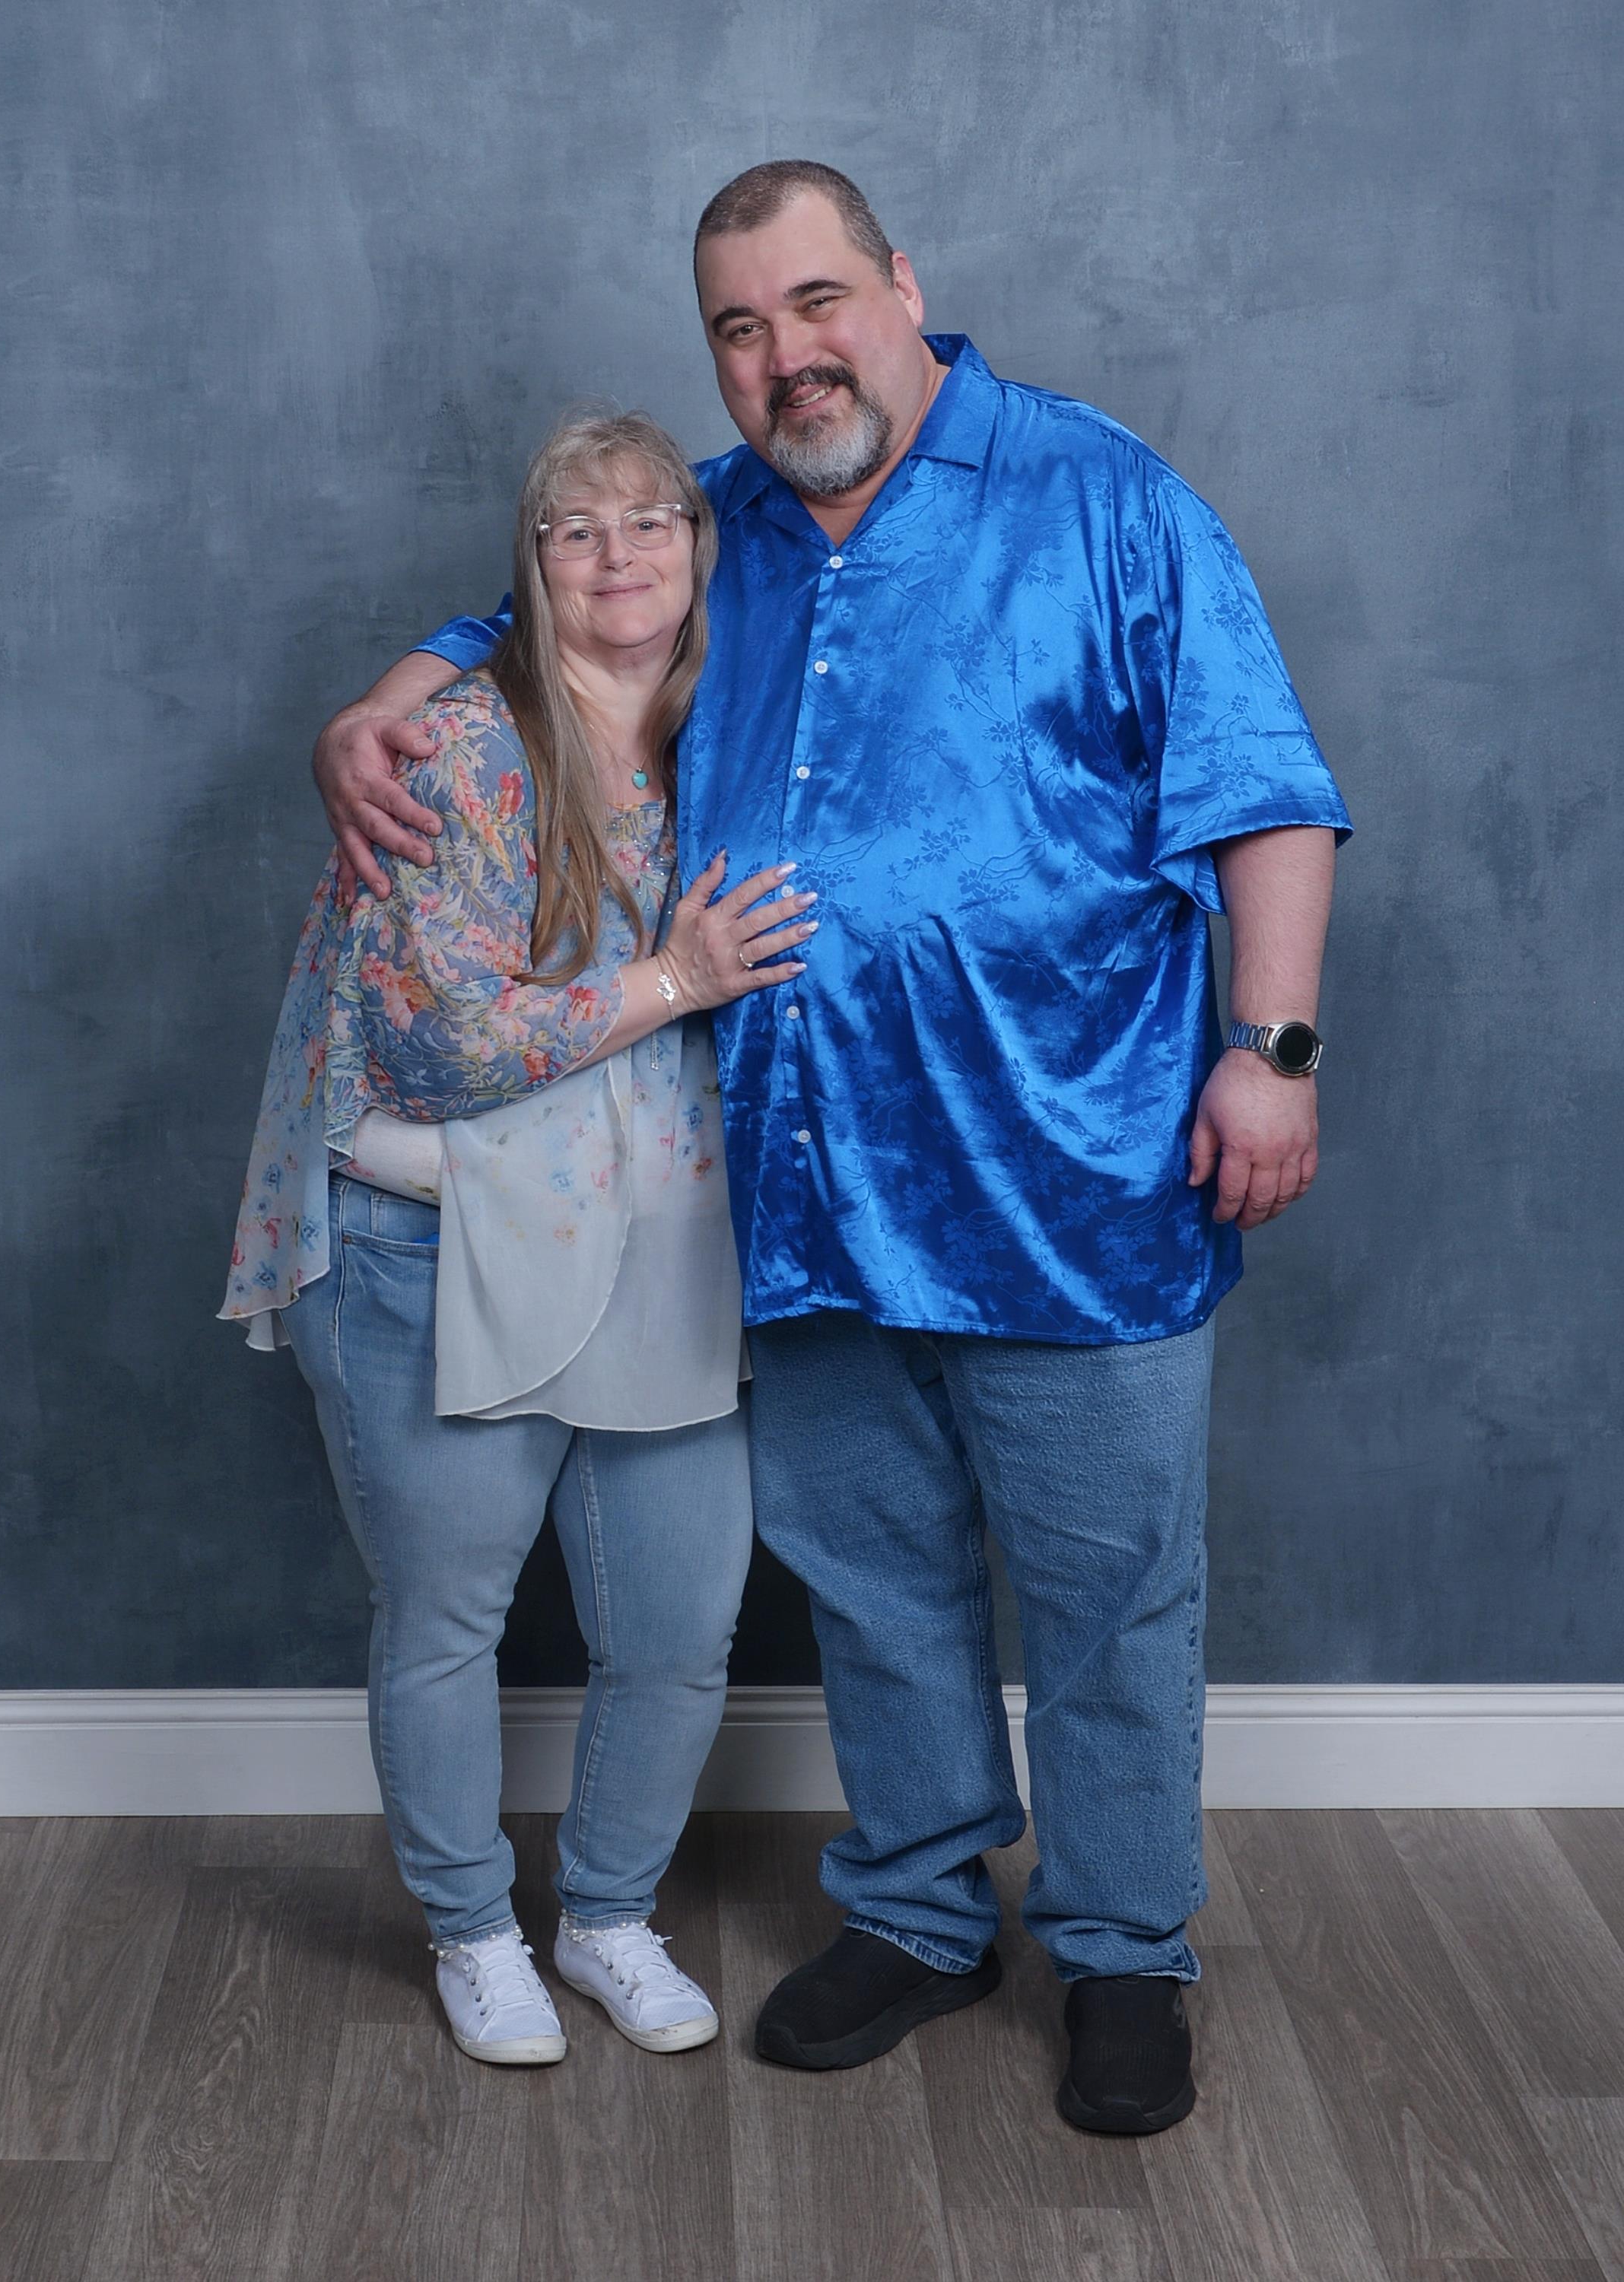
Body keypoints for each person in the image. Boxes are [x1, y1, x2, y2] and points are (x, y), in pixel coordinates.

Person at [311, 163, 1352, 2134]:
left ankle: (1124, 1952)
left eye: (814, 304)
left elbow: (1265, 791)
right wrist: (382, 699)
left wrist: (1270, 1050)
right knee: (876, 1585)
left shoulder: (1103, 497)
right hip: (805, 1186)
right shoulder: (715, 527)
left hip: (1078, 1179)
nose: (785, 356)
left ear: (901, 286)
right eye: (738, 326)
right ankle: (921, 1909)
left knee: (1113, 1599)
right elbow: (535, 613)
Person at [221, 410, 815, 2067]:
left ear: (702, 551)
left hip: (664, 1239)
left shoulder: (738, 734)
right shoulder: (460, 751)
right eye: (575, 532)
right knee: (445, 1618)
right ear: (530, 567)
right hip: (428, 1243)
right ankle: (473, 1932)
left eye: (651, 523)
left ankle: (609, 1916)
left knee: (680, 1628)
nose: (619, 556)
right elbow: (444, 1047)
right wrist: (675, 982)